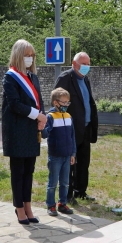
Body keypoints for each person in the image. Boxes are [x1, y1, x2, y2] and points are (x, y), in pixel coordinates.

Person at [2, 40, 46, 224]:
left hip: (31, 130)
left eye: (32, 55)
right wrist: (37, 115)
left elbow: (39, 100)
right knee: (18, 171)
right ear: (18, 55)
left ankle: (28, 206)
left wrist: (42, 118)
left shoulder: (33, 77)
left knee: (29, 170)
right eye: (27, 55)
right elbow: (15, 104)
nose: (30, 58)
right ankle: (19, 207)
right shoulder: (10, 77)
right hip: (17, 130)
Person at [54, 52, 98, 203]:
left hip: (85, 128)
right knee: (69, 163)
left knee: (84, 162)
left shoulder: (85, 79)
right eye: (83, 64)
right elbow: (57, 102)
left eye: (88, 64)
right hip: (70, 129)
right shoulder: (65, 78)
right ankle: (67, 194)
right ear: (74, 64)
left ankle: (81, 191)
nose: (86, 67)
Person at [42, 88, 76, 216]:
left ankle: (62, 203)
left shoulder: (68, 116)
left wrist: (73, 153)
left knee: (65, 182)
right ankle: (51, 205)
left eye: (68, 103)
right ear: (56, 103)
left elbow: (73, 137)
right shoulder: (50, 117)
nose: (66, 105)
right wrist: (42, 126)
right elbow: (45, 134)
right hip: (55, 155)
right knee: (53, 183)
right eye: (64, 102)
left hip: (67, 155)